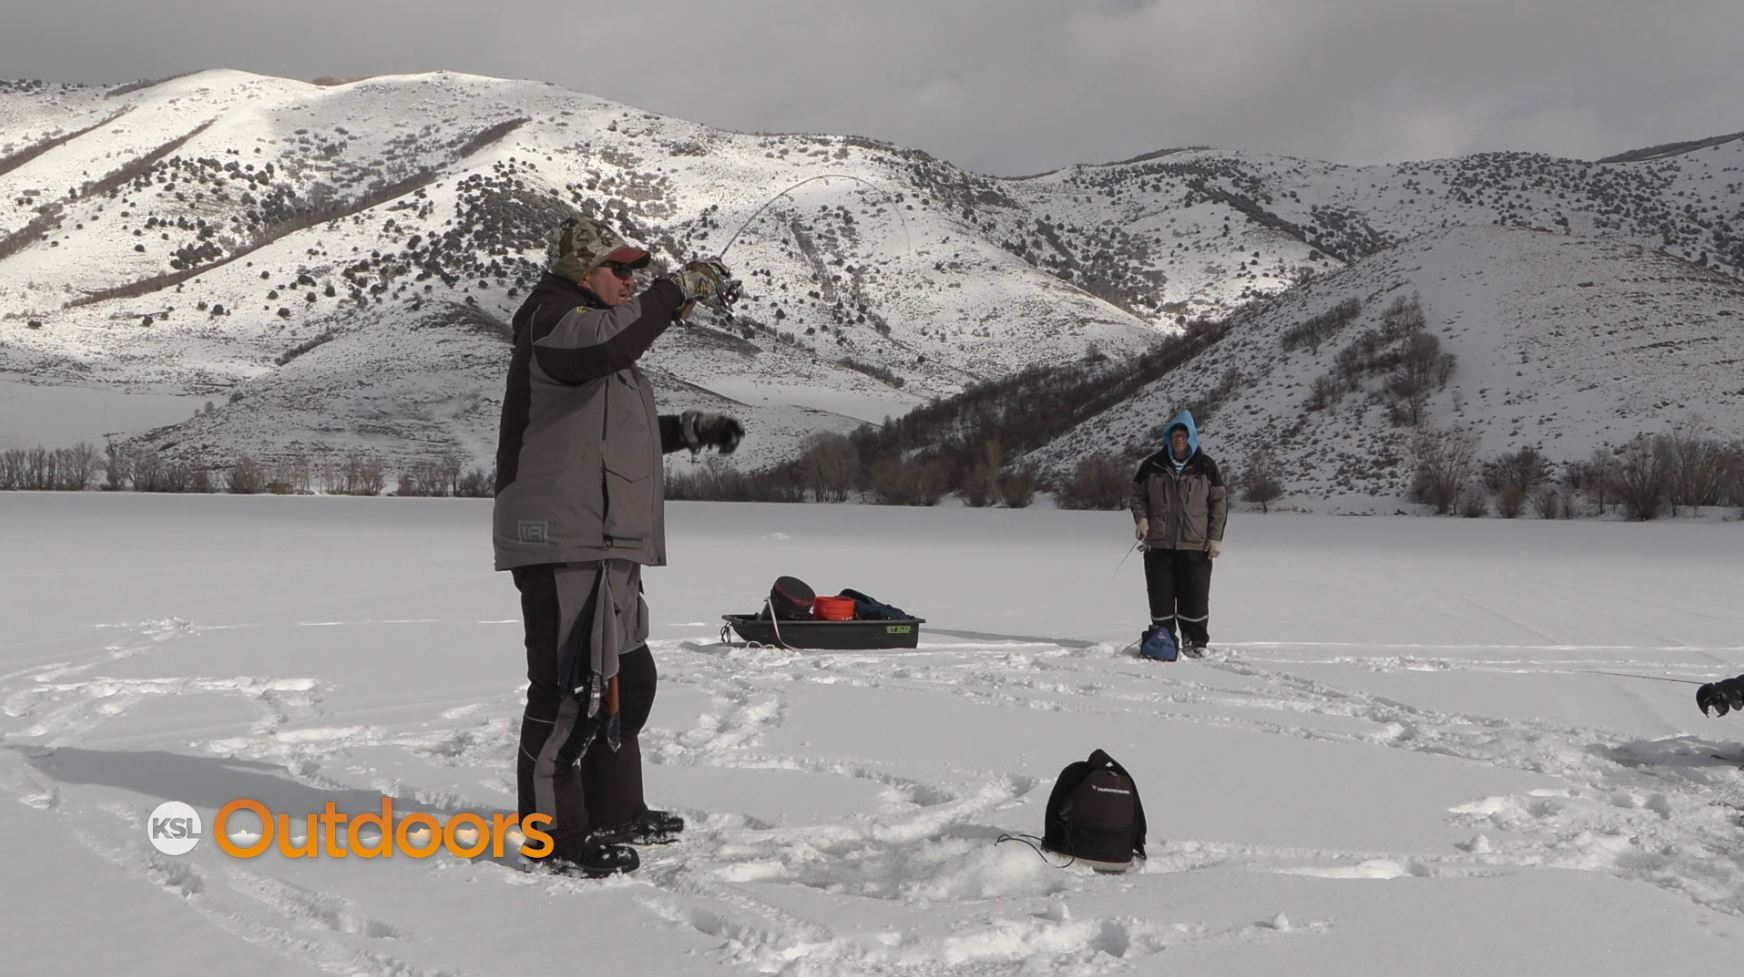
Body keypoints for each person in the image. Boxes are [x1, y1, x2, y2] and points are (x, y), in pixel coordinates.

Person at [492, 217, 744, 875]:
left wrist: (686, 429)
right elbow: (606, 346)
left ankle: (615, 809)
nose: (630, 279)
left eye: (637, 270)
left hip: (607, 541)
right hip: (559, 537)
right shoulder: (554, 320)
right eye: (620, 269)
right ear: (582, 269)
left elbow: (609, 431)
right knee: (567, 693)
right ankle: (557, 840)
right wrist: (672, 290)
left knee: (626, 681)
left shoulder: (594, 338)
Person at [1128, 409, 1228, 658]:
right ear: (1168, 438)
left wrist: (1215, 537)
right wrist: (1141, 519)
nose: (1178, 439)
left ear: (1191, 437)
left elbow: (1219, 503)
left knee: (1194, 597)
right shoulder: (1153, 464)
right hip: (1159, 544)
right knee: (1160, 596)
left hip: (1195, 543)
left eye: (1183, 435)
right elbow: (1137, 494)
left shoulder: (1206, 466)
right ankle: (1163, 640)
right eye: (1174, 435)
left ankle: (1195, 642)